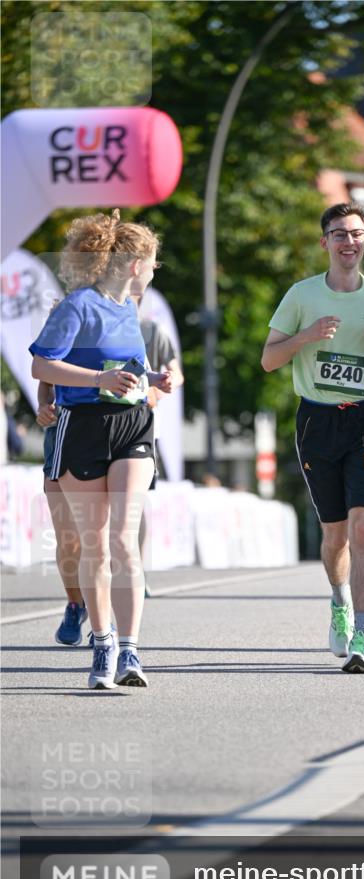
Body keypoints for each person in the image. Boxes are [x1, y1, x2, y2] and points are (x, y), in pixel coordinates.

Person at [30, 209, 172, 690]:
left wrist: (155, 379)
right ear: (135, 264)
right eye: (152, 263)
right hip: (83, 428)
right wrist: (98, 380)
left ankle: (130, 650)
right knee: (95, 544)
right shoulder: (78, 306)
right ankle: (103, 642)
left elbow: (126, 370)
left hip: (131, 425)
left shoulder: (130, 310)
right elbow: (41, 366)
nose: (154, 272)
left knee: (123, 540)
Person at [261, 201, 364, 674]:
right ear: (325, 243)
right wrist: (306, 337)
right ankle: (339, 599)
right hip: (316, 421)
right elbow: (269, 360)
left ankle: (362, 633)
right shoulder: (301, 296)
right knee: (334, 534)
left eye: (357, 233)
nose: (349, 242)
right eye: (339, 234)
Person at [133, 295, 185, 596]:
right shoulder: (95, 327)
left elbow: (176, 373)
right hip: (97, 424)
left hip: (142, 424)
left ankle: (136, 571)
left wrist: (160, 387)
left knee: (135, 503)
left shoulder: (151, 330)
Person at [36, 381, 88, 644]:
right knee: (69, 539)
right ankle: (75, 605)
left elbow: (146, 378)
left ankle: (107, 622)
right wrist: (43, 406)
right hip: (61, 434)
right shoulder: (56, 337)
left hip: (110, 431)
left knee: (108, 538)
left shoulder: (126, 337)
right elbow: (44, 379)